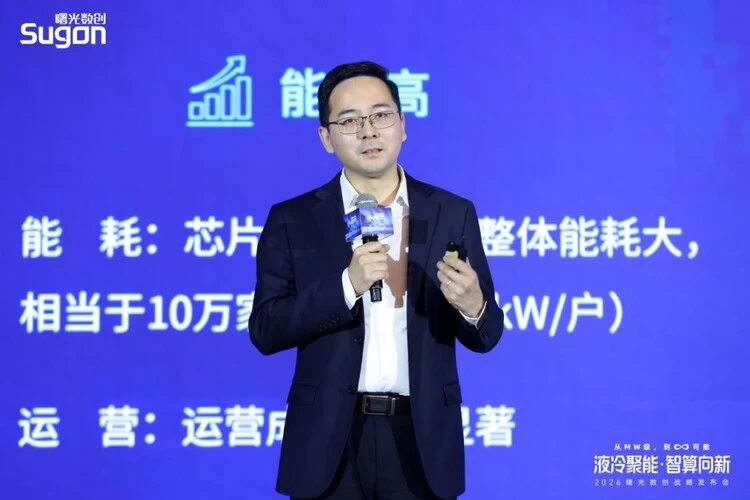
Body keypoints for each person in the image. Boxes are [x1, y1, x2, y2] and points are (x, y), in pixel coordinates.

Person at [249, 61, 503, 500]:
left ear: (402, 126)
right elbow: (266, 330)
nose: (368, 131)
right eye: (349, 121)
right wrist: (346, 286)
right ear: (326, 138)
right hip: (329, 443)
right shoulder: (293, 219)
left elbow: (488, 335)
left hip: (421, 440)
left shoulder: (451, 212)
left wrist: (472, 306)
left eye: (381, 115)